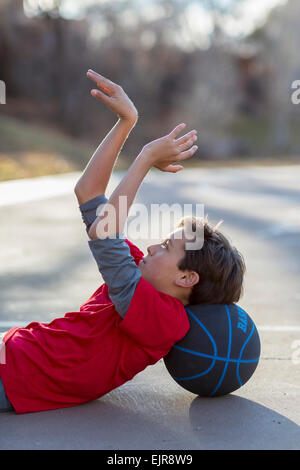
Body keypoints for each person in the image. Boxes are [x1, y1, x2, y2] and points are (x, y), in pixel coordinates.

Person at [0, 70, 245, 414]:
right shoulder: (138, 276)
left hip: (11, 377)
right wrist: (125, 123)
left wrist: (144, 157)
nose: (151, 248)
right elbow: (89, 195)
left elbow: (104, 233)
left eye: (166, 247)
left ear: (186, 278)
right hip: (12, 351)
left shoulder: (167, 320)